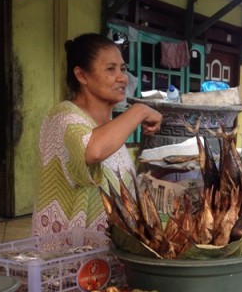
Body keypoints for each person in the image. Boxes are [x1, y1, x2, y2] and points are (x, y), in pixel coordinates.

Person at [32, 33, 162, 236]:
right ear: (82, 76)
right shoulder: (63, 117)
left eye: (123, 69)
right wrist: (139, 110)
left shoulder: (111, 127)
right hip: (69, 250)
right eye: (110, 69)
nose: (122, 78)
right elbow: (92, 151)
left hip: (108, 247)